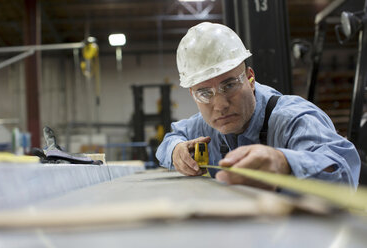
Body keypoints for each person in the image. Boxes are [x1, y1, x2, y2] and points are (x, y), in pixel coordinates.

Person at [155, 22, 361, 188]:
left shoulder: (292, 119)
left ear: (250, 78)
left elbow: (344, 173)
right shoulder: (207, 126)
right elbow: (170, 139)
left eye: (229, 85)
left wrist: (284, 163)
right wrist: (176, 150)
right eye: (204, 93)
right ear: (193, 95)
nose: (219, 105)